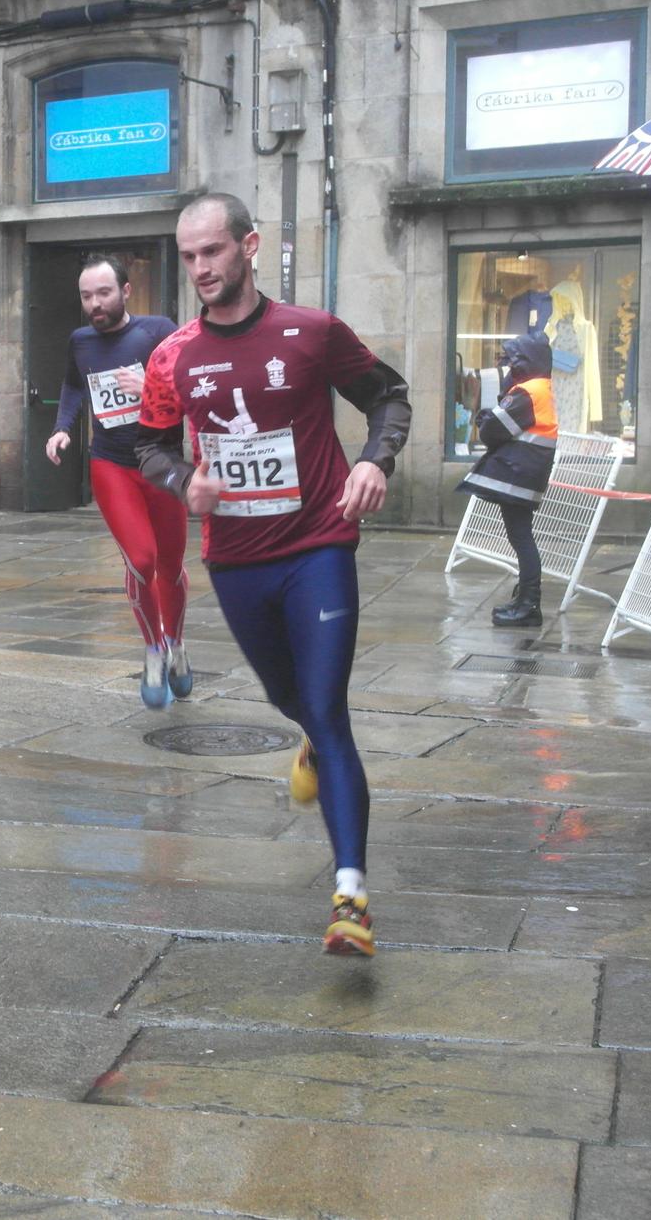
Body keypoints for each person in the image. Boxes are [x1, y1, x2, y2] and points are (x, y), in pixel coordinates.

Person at [135, 194, 412, 958]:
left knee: (327, 707)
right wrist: (180, 479)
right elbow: (149, 445)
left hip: (321, 543)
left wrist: (372, 461)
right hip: (237, 561)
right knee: (290, 698)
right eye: (188, 256)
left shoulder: (312, 332)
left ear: (249, 246)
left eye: (213, 252)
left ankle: (350, 893)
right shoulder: (173, 355)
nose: (200, 268)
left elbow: (387, 395)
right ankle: (312, 743)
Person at [46, 255, 190, 707]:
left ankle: (177, 644)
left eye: (103, 293)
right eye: (87, 296)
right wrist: (62, 426)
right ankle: (153, 649)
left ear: (126, 292)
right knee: (141, 560)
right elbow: (74, 385)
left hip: (161, 462)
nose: (95, 303)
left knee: (169, 565)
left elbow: (192, 389)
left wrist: (151, 386)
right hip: (110, 464)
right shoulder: (80, 341)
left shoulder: (159, 331)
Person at [455, 328, 557, 628]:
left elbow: (492, 430)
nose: (509, 365)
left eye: (513, 360)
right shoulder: (539, 387)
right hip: (525, 474)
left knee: (522, 537)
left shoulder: (527, 392)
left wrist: (491, 411)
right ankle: (524, 598)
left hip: (519, 476)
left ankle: (529, 604)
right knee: (520, 535)